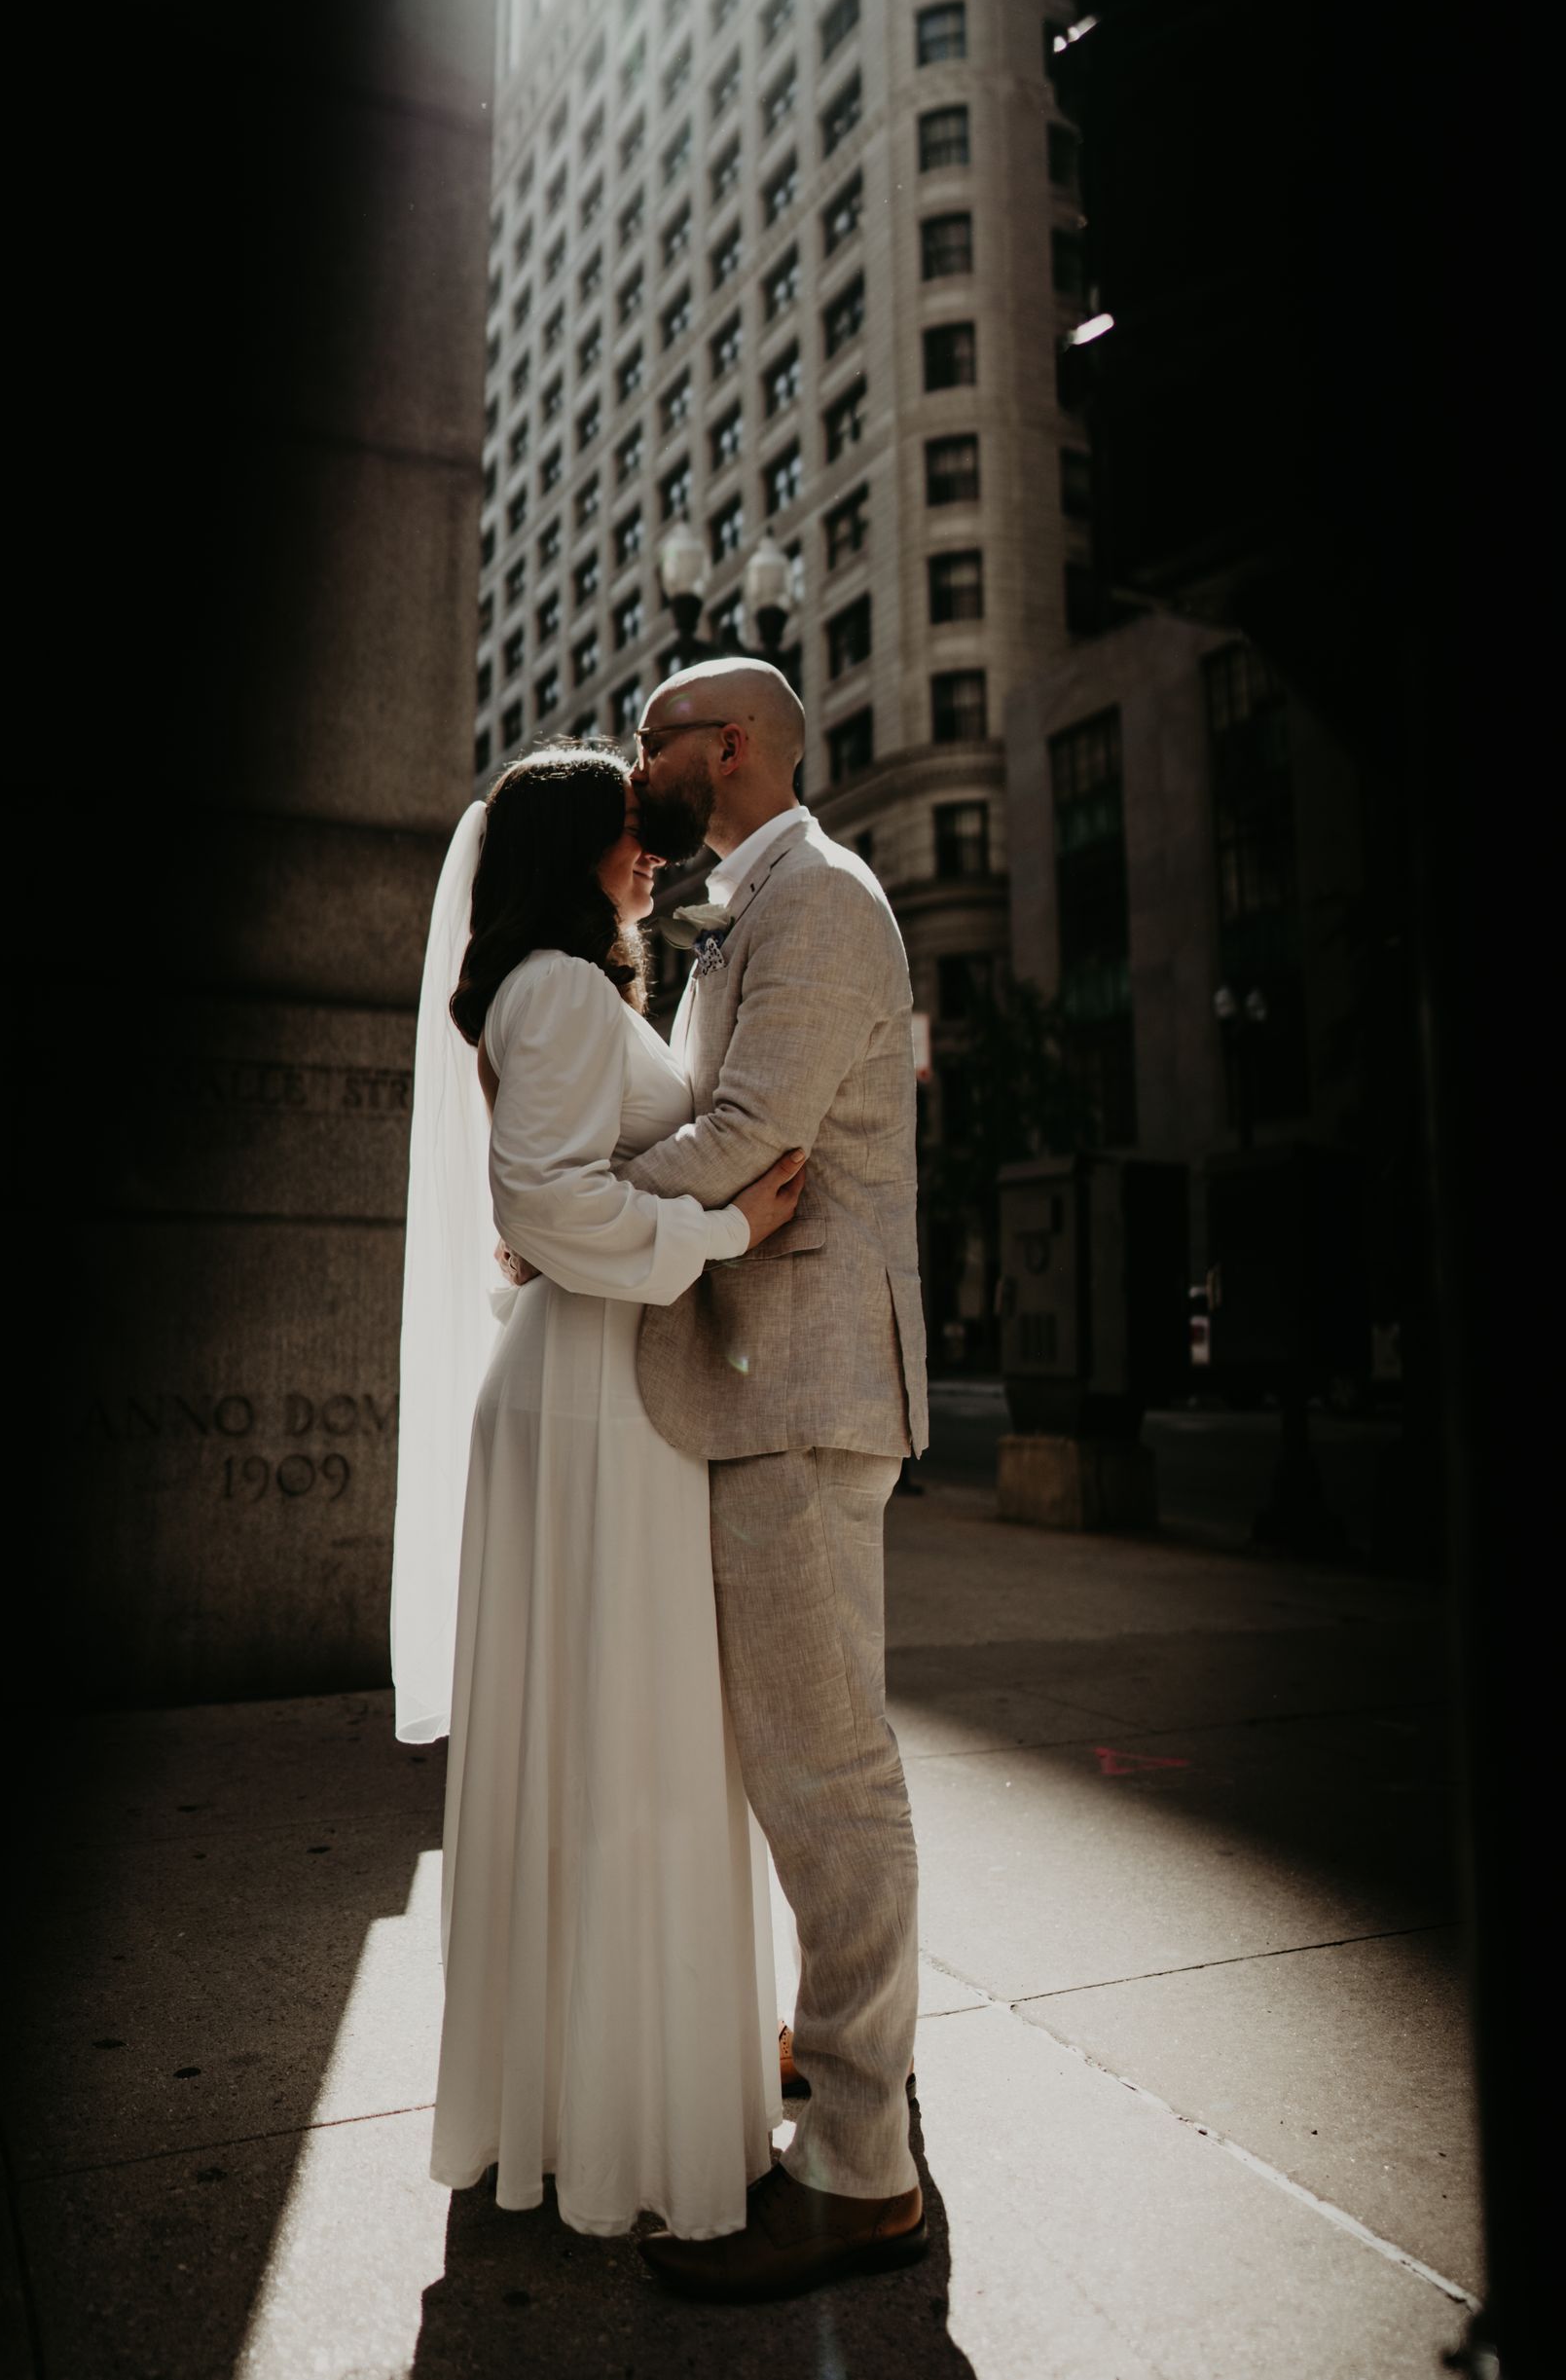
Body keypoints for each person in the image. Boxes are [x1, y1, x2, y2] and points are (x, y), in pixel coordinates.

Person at [398, 745, 807, 2245]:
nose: (652, 854)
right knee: (625, 1744)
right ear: (571, 843)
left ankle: (582, 2094)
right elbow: (547, 1202)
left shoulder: (558, 984)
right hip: (591, 1398)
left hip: (588, 1391)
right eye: (631, 834)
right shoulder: (563, 989)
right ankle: (623, 2112)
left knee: (606, 1745)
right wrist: (722, 1225)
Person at [614, 658, 930, 2303]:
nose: (634, 762)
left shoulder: (821, 898)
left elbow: (748, 1132)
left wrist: (571, 1210)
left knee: (826, 1770)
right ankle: (850, 2071)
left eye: (651, 737)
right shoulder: (749, 906)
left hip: (807, 1382)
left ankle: (867, 2167)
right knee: (798, 1757)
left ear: (727, 749)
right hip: (764, 1377)